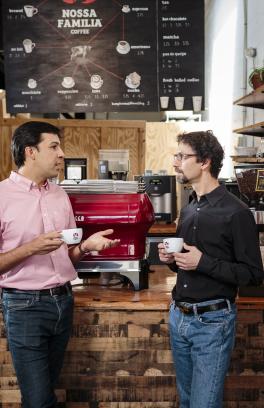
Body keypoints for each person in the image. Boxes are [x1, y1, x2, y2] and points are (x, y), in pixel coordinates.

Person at [0, 121, 120, 408]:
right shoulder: (2, 195)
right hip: (23, 307)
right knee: (40, 400)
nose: (62, 153)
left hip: (63, 302)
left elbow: (65, 256)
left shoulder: (59, 194)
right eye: (53, 147)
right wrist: (31, 247)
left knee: (47, 389)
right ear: (30, 152)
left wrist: (85, 247)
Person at [158, 130, 264, 408]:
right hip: (179, 318)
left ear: (204, 162)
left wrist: (202, 262)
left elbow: (253, 274)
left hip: (212, 323)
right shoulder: (190, 208)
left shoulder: (236, 212)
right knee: (188, 402)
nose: (176, 162)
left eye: (182, 156)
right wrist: (172, 260)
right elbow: (184, 264)